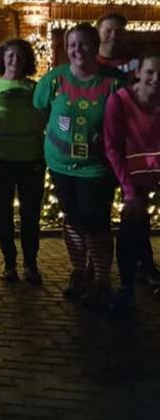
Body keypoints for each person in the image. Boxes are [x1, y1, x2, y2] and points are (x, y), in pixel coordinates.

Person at [34, 23, 125, 310]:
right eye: (73, 45)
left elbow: (128, 118)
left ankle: (101, 280)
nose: (78, 50)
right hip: (61, 165)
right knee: (72, 217)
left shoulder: (114, 82)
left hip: (96, 168)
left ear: (95, 46)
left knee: (95, 222)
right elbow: (40, 110)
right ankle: (79, 272)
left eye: (84, 44)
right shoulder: (54, 80)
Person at [0, 39, 45, 284]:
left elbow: (46, 117)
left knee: (30, 214)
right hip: (0, 159)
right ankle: (9, 262)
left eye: (20, 56)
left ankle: (31, 263)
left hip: (31, 158)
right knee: (3, 212)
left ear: (27, 61)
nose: (14, 60)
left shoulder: (36, 90)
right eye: (10, 55)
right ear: (1, 59)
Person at [104, 52, 160, 315]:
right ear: (139, 72)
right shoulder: (120, 102)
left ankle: (145, 270)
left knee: (140, 229)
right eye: (150, 72)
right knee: (130, 226)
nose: (155, 79)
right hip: (130, 177)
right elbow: (112, 147)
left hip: (154, 177)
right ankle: (126, 289)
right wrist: (128, 190)